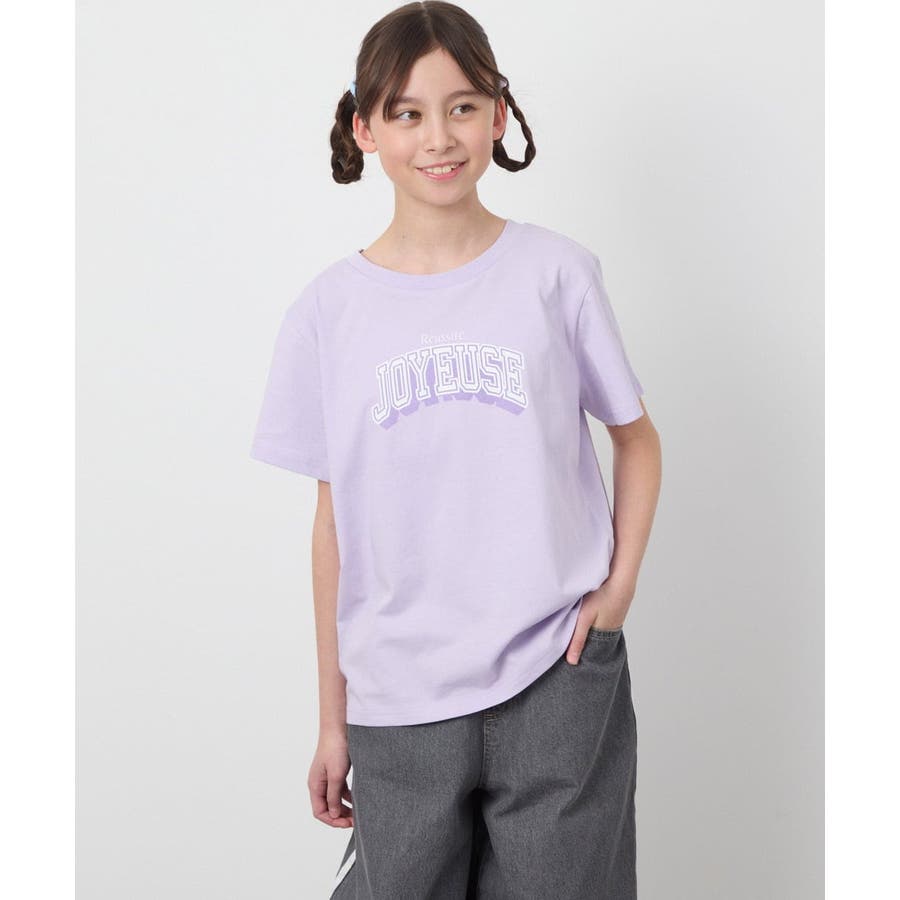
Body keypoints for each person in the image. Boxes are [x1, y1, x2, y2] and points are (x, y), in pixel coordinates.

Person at [249, 2, 662, 896]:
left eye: (462, 106)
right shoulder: (326, 314)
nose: (438, 136)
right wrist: (333, 721)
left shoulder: (557, 274)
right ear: (365, 129)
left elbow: (635, 438)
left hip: (559, 673)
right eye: (406, 113)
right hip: (397, 697)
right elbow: (333, 526)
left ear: (498, 114)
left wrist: (617, 592)